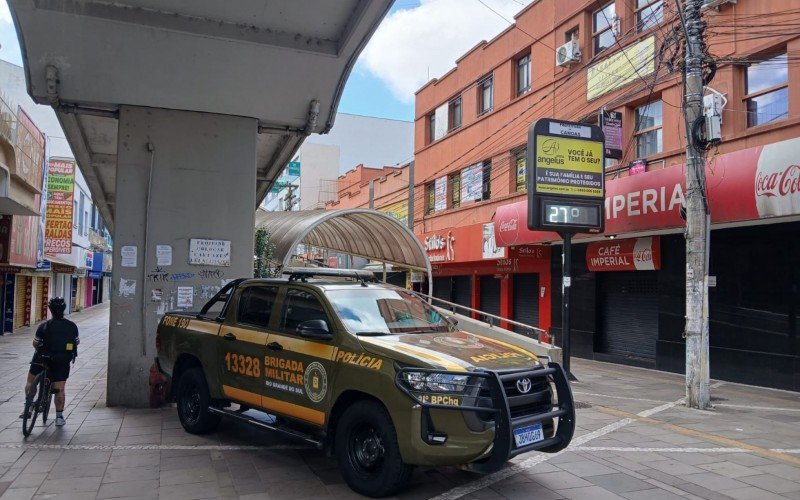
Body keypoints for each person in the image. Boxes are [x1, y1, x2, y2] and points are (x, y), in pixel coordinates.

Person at [21, 297, 79, 426]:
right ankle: (59, 417)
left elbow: (35, 343)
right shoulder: (72, 326)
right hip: (61, 361)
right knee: (59, 389)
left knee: (30, 382)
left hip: (42, 359)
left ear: (50, 310)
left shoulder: (44, 326)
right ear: (64, 309)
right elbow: (77, 342)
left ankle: (28, 406)